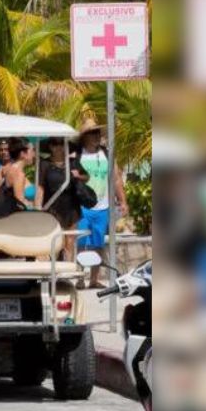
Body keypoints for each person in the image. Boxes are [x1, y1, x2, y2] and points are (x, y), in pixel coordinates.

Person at [76, 118, 126, 287]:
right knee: (81, 243)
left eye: (97, 133)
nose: (96, 136)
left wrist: (123, 201)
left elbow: (116, 179)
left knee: (98, 243)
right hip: (82, 206)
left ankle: (94, 279)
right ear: (84, 137)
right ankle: (80, 278)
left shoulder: (106, 154)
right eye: (92, 133)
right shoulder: (77, 155)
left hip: (102, 207)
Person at [36, 138, 89, 261]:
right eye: (55, 144)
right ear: (50, 146)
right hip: (52, 207)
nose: (58, 147)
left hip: (71, 207)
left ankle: (67, 273)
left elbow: (86, 177)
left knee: (69, 242)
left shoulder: (72, 162)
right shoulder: (44, 164)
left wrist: (78, 176)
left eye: (61, 144)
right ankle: (53, 273)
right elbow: (40, 186)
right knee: (54, 242)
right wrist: (37, 207)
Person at [0, 140, 35, 217]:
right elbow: (20, 202)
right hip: (16, 221)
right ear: (22, 154)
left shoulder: (12, 169)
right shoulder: (17, 173)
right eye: (32, 151)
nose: (34, 154)